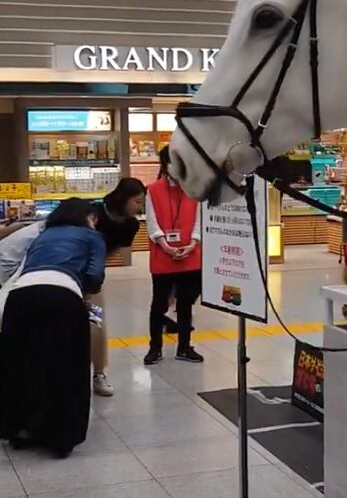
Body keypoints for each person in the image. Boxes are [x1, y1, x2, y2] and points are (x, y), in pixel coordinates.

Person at [0, 198, 106, 458]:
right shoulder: (92, 237)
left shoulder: (43, 234)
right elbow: (94, 276)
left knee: (24, 363)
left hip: (20, 298)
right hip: (62, 296)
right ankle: (60, 435)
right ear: (86, 218)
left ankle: (22, 428)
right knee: (66, 366)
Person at [144, 145, 203, 365]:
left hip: (190, 254)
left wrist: (193, 242)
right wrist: (166, 245)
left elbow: (199, 219)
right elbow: (152, 223)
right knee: (159, 303)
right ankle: (155, 347)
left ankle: (185, 347)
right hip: (163, 255)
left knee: (186, 304)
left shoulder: (195, 189)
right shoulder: (153, 189)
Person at [90, 177, 146, 397]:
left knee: (96, 321)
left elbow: (112, 252)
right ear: (122, 198)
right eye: (137, 202)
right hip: (71, 273)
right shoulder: (94, 213)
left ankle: (99, 374)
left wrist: (96, 271)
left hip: (93, 281)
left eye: (142, 203)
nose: (140, 207)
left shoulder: (130, 225)